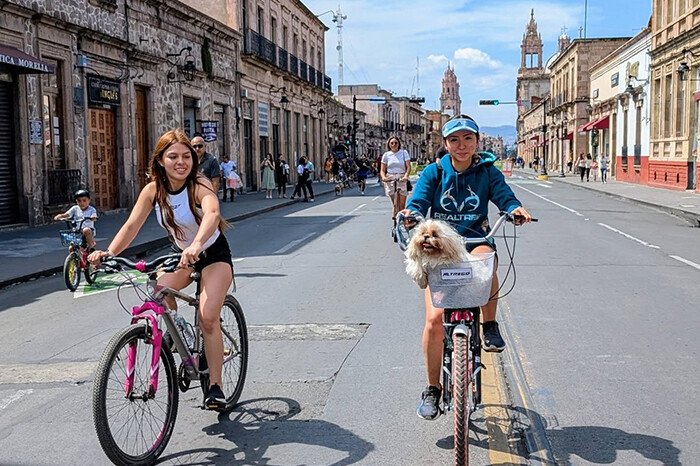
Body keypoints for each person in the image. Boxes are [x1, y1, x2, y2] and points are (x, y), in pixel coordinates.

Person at [399, 115, 532, 421]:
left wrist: (514, 209)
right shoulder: (434, 171)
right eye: (454, 140)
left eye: (467, 139)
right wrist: (411, 213)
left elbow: (504, 197)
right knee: (433, 322)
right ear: (445, 144)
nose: (461, 146)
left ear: (477, 142)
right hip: (441, 250)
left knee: (488, 261)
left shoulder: (487, 172)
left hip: (475, 239)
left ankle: (489, 325)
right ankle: (432, 389)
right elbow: (419, 200)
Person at [88, 128, 233, 410]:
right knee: (158, 291)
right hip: (181, 255)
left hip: (213, 254)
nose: (181, 162)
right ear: (160, 160)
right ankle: (183, 337)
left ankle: (215, 386)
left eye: (186, 156)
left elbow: (213, 213)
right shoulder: (154, 190)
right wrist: (109, 253)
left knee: (207, 317)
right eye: (173, 156)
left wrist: (197, 244)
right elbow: (131, 225)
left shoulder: (199, 183)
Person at [380, 136, 411, 225]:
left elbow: (408, 167)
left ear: (398, 144)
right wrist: (383, 177)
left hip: (401, 177)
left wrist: (405, 176)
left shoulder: (404, 153)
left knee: (402, 204)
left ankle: (402, 220)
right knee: (394, 201)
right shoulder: (386, 155)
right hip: (390, 178)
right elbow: (382, 169)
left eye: (395, 143)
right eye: (392, 143)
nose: (394, 145)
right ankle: (395, 214)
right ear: (389, 145)